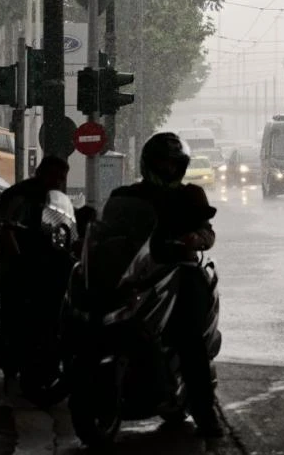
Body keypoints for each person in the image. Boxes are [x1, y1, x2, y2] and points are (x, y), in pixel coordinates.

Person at [109, 132, 222, 437]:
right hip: (136, 272)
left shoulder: (191, 196)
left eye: (174, 164)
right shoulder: (128, 195)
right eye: (162, 163)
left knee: (189, 338)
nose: (168, 169)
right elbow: (109, 227)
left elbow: (207, 233)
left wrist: (194, 239)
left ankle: (205, 414)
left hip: (178, 271)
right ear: (149, 163)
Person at [0, 155, 71, 384]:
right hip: (20, 257)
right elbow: (6, 227)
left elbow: (67, 224)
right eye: (54, 176)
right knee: (14, 298)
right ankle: (8, 356)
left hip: (49, 258)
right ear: (41, 173)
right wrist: (16, 256)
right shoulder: (19, 195)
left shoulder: (57, 200)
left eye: (61, 178)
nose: (57, 181)